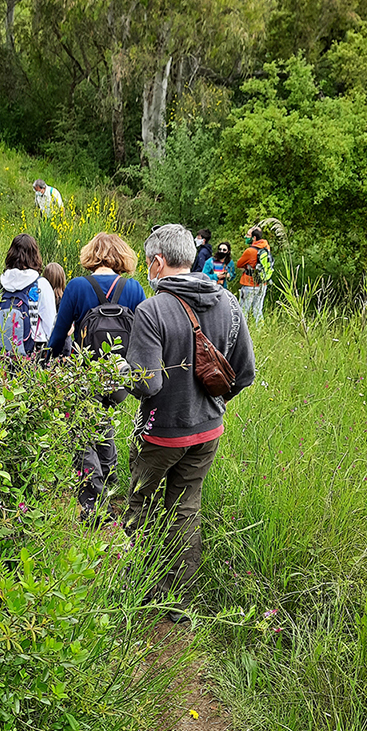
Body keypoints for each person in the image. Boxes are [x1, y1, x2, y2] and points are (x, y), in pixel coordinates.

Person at [125, 224, 255, 614]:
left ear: (158, 262)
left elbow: (146, 383)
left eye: (148, 263)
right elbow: (244, 372)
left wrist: (121, 371)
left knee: (141, 505)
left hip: (161, 433)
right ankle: (178, 600)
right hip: (208, 430)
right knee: (185, 508)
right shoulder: (229, 302)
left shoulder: (152, 310)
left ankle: (137, 589)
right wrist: (212, 403)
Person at [47, 232, 146, 519]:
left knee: (82, 434)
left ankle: (93, 503)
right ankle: (110, 483)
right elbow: (143, 336)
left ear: (91, 255)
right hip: (119, 374)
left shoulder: (77, 286)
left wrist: (48, 361)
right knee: (104, 423)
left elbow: (59, 334)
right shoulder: (134, 289)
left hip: (84, 373)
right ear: (122, 256)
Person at [0, 234, 57, 355]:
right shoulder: (41, 284)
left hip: (3, 352)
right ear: (34, 256)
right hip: (34, 351)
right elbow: (50, 325)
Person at [236, 227, 274, 322]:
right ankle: (260, 328)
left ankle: (241, 329)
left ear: (254, 238)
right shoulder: (266, 247)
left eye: (248, 235)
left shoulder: (250, 251)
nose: (246, 237)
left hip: (249, 284)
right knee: (258, 310)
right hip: (262, 283)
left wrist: (246, 267)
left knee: (243, 310)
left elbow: (239, 264)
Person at [43, 262, 72, 356]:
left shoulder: (43, 300)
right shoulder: (65, 300)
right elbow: (69, 329)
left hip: (45, 343)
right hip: (64, 346)